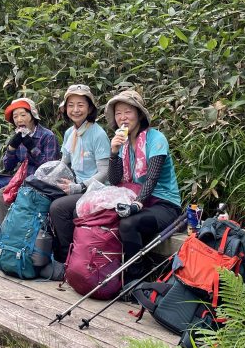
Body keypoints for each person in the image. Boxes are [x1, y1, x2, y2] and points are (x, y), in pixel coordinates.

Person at [105, 90, 184, 283]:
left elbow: (152, 179)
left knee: (128, 223)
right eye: (118, 113)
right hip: (136, 200)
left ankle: (137, 279)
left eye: (128, 112)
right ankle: (108, 273)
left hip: (163, 204)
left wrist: (138, 204)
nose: (122, 118)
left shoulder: (155, 139)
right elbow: (115, 180)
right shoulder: (122, 142)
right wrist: (114, 151)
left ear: (139, 114)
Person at [48, 85, 113, 257]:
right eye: (71, 105)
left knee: (58, 208)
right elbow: (64, 164)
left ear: (90, 108)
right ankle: (48, 250)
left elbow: (104, 172)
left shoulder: (97, 134)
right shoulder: (71, 132)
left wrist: (80, 187)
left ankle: (68, 254)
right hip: (75, 185)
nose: (75, 110)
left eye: (81, 105)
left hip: (97, 189)